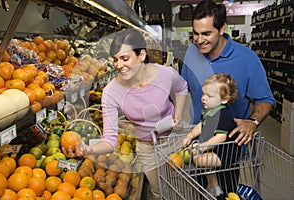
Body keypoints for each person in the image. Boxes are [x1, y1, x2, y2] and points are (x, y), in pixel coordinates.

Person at [63, 28, 188, 199]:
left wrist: (178, 116)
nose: (119, 65)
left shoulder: (164, 74)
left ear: (141, 55)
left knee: (178, 185)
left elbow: (182, 87)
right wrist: (88, 149)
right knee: (159, 192)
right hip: (147, 146)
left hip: (173, 139)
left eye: (125, 58)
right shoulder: (111, 92)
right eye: (115, 60)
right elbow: (110, 139)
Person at [181, 0, 275, 194]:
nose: (199, 40)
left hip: (228, 150)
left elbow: (266, 100)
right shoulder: (191, 53)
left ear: (222, 28)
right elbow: (182, 87)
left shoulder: (247, 59)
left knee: (227, 193)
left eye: (206, 34)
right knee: (198, 191)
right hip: (198, 141)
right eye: (196, 33)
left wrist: (253, 122)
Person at [183, 73, 241, 199]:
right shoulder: (209, 111)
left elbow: (221, 137)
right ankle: (214, 187)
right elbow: (201, 125)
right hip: (215, 149)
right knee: (201, 160)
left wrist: (202, 147)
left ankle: (214, 187)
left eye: (209, 96)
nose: (204, 98)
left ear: (224, 99)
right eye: (203, 94)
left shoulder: (223, 114)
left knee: (198, 159)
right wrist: (190, 135)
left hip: (226, 153)